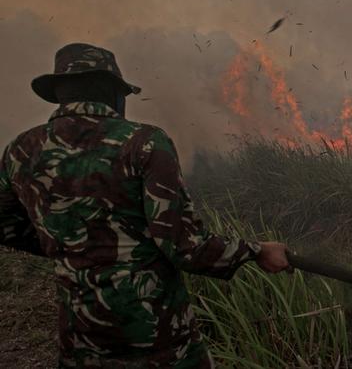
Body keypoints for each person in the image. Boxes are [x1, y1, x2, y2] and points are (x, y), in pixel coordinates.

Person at [0, 43, 292, 368]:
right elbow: (185, 246)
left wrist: (69, 246)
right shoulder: (145, 142)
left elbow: (6, 225)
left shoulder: (20, 151)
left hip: (81, 338)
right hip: (159, 340)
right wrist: (256, 250)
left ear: (61, 94)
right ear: (113, 93)